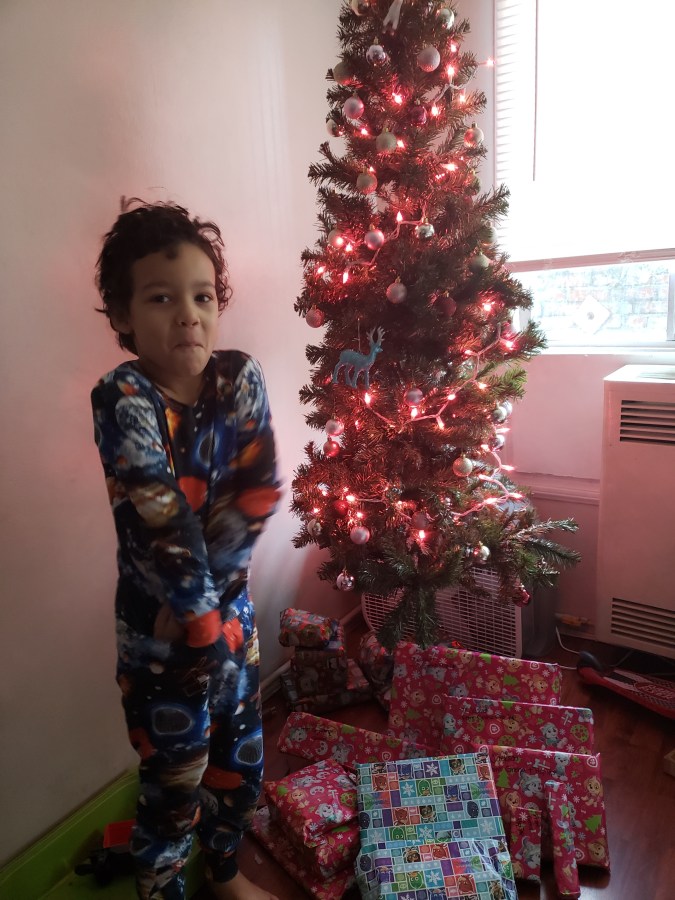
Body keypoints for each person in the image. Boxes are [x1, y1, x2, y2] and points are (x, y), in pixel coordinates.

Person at [91, 199, 281, 900]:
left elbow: (255, 489)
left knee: (242, 768)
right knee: (175, 785)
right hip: (158, 637)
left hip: (231, 622)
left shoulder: (240, 378)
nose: (187, 315)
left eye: (202, 297)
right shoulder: (123, 396)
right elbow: (156, 512)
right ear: (122, 315)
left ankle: (225, 874)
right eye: (161, 298)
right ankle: (162, 886)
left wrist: (213, 611)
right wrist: (192, 613)